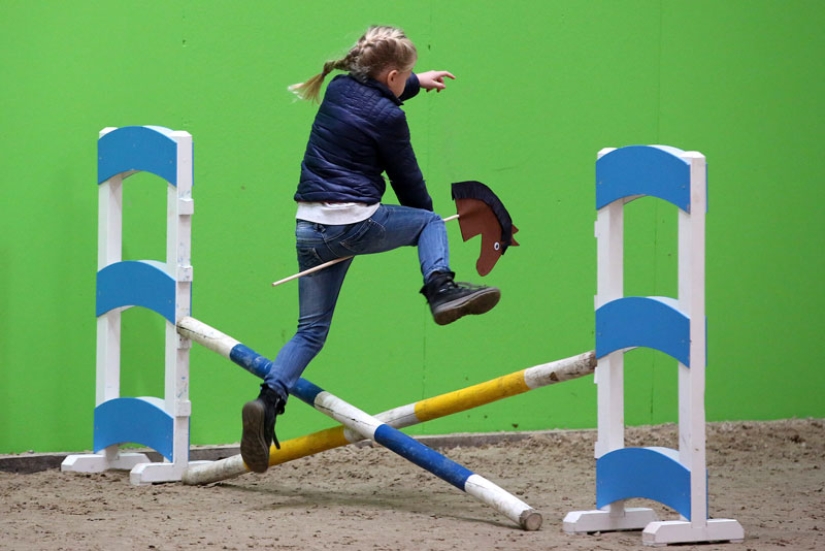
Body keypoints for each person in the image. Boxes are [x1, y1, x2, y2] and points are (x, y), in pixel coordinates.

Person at [240, 25, 501, 473]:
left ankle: (269, 400)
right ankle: (441, 288)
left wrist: (418, 82)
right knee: (429, 222)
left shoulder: (341, 88)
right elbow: (406, 178)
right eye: (409, 74)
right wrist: (428, 226)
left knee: (310, 331)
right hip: (351, 222)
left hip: (308, 226)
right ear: (392, 75)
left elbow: (376, 99)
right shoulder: (390, 118)